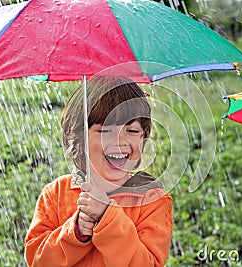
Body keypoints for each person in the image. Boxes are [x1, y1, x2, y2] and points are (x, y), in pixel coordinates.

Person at [24, 76, 173, 267]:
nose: (120, 142)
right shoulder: (55, 194)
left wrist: (106, 217)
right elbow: (38, 261)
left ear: (144, 139)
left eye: (132, 131)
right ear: (79, 139)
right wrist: (75, 231)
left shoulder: (152, 200)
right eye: (105, 131)